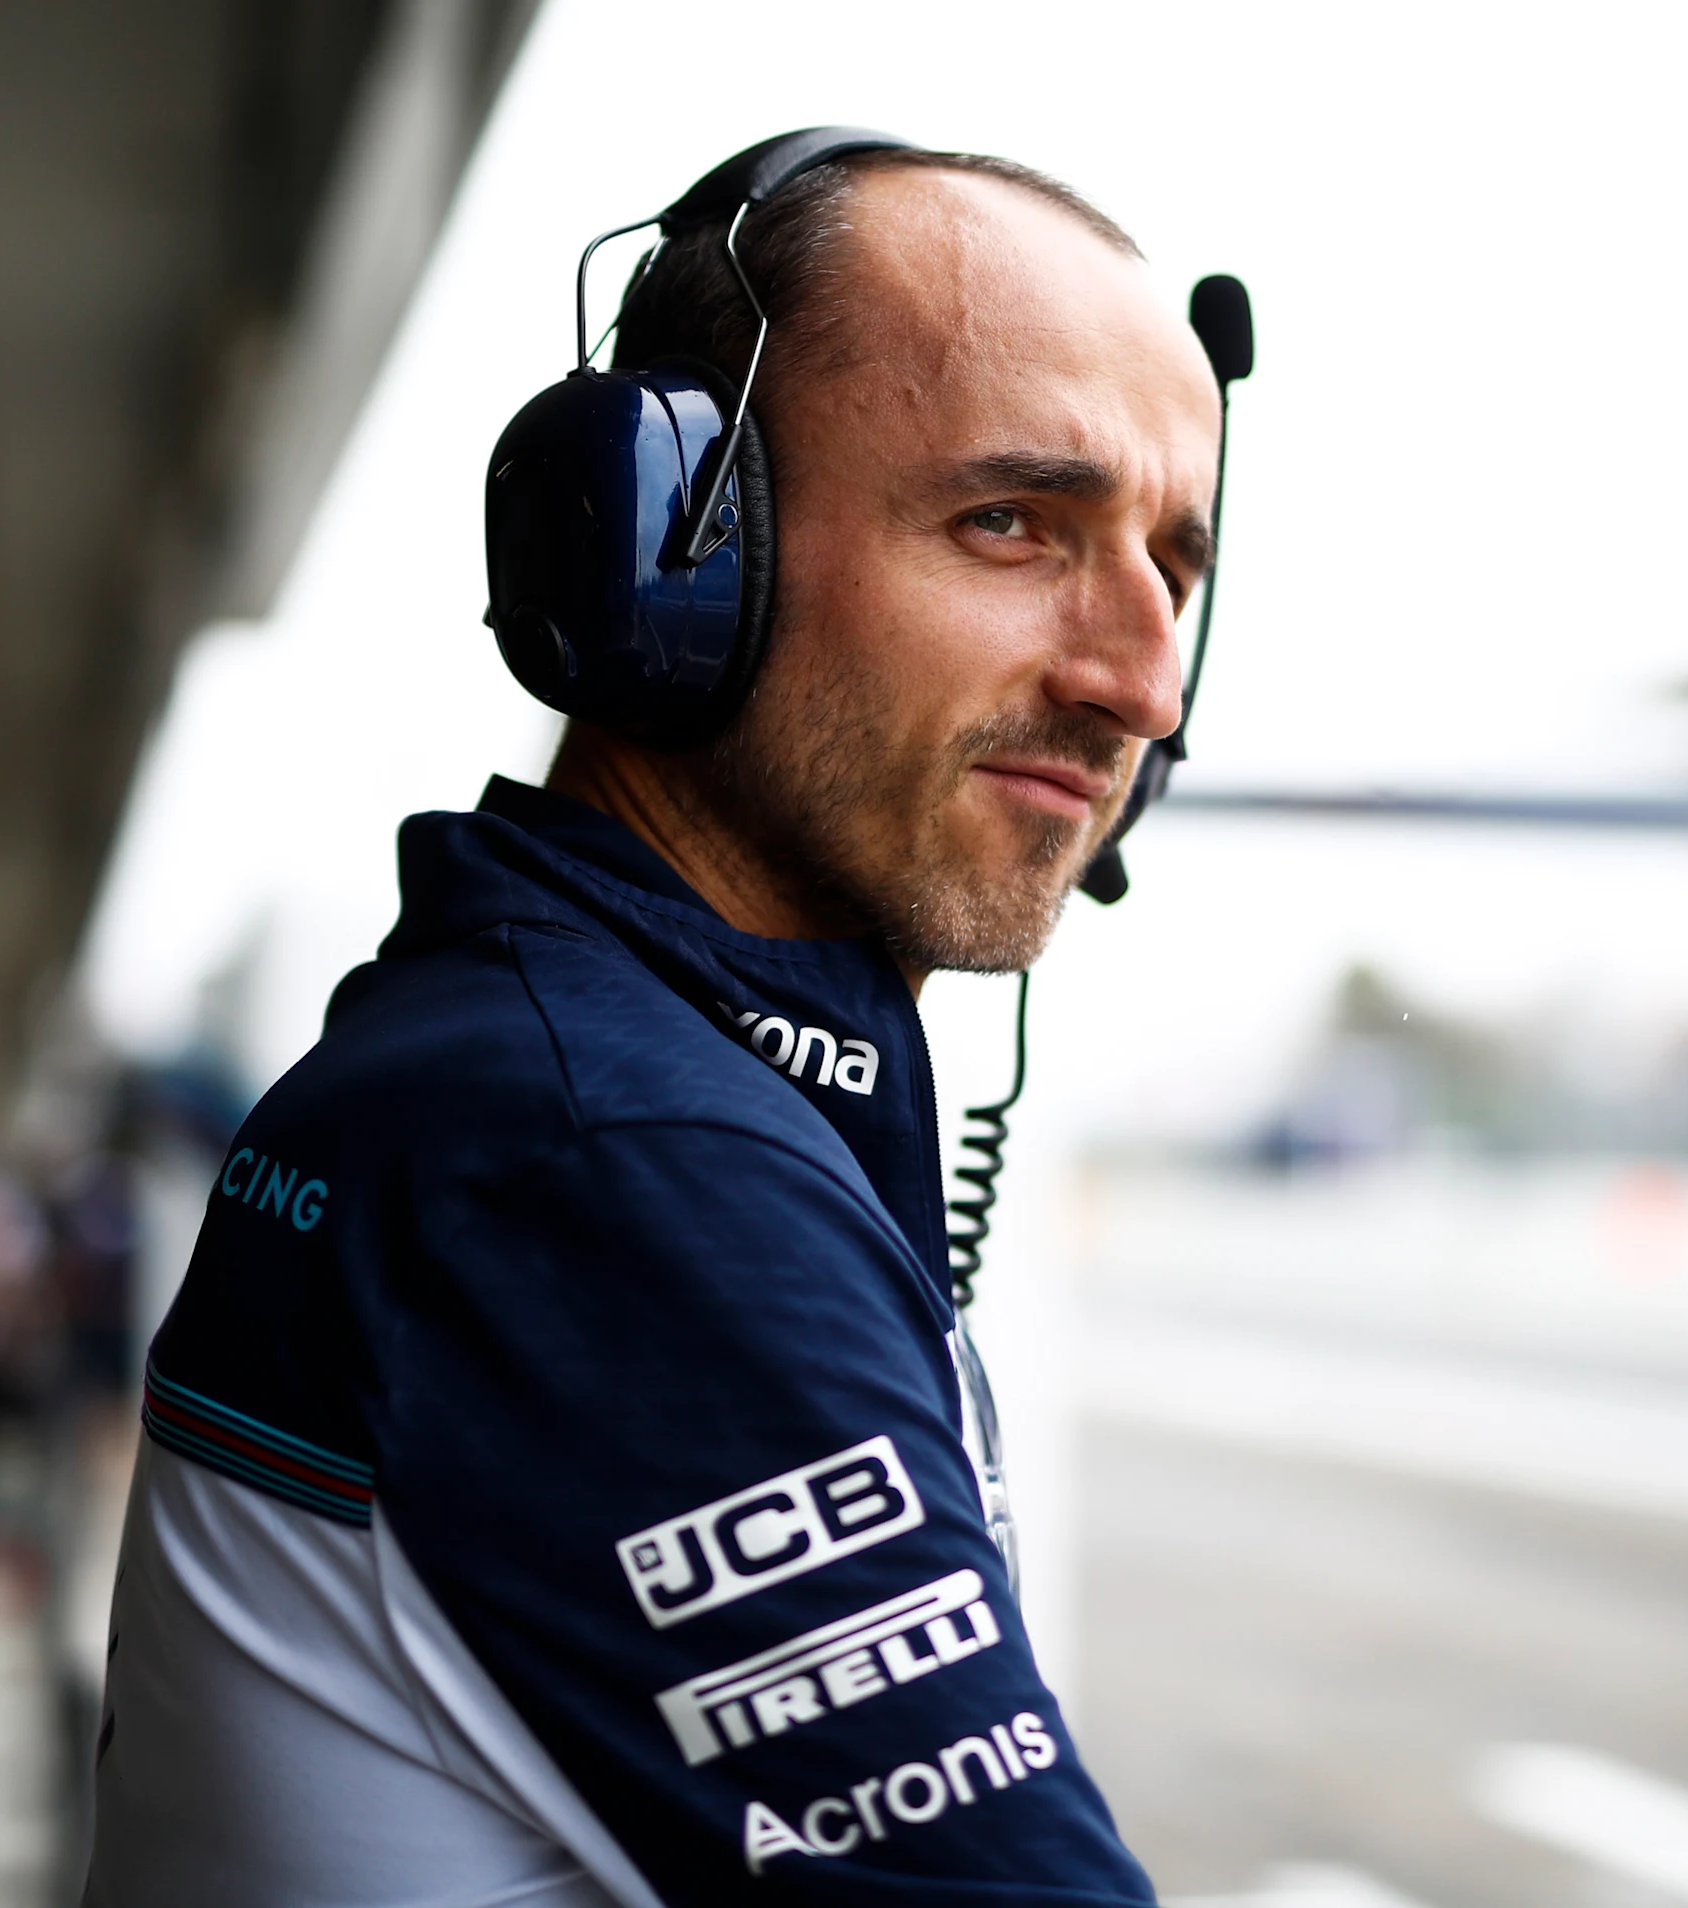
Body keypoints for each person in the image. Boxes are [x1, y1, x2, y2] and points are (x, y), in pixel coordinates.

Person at [82, 131, 1220, 1905]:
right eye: (1013, 523)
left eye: (1173, 567)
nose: (1142, 682)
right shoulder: (607, 1160)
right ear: (667, 552)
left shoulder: (530, 1073)